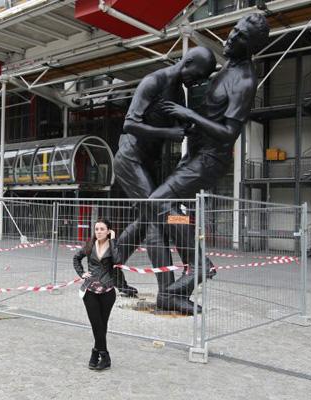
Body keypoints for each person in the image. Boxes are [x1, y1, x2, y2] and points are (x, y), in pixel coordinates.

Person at [140, 13, 270, 314]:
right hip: (195, 154)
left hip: (211, 159)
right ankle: (177, 287)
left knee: (157, 202)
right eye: (233, 31)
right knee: (165, 212)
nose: (230, 38)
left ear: (250, 46)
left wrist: (190, 116)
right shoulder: (226, 69)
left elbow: (228, 132)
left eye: (239, 37)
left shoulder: (245, 80)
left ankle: (199, 265)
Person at [113, 47, 217, 308]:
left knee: (145, 220)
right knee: (158, 220)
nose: (198, 80)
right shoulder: (154, 81)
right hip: (130, 159)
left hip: (149, 164)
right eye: (199, 74)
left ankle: (108, 268)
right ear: (188, 62)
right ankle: (167, 292)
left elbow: (181, 128)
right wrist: (169, 133)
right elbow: (129, 124)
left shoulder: (179, 94)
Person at [73, 219, 120, 371]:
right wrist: (82, 273)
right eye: (96, 229)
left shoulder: (113, 246)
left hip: (107, 290)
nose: (98, 231)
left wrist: (113, 241)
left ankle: (95, 352)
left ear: (108, 231)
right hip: (90, 290)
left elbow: (118, 260)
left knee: (102, 324)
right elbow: (76, 258)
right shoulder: (89, 245)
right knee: (96, 323)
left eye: (102, 229)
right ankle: (105, 355)